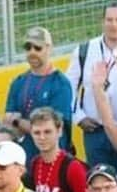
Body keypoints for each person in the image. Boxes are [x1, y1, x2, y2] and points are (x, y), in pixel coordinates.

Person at [68, 4, 117, 172]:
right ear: (102, 22)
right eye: (109, 20)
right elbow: (69, 88)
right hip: (96, 131)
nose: (114, 25)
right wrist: (79, 117)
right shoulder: (84, 51)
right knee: (99, 181)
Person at [5, 26, 72, 159]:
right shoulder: (19, 81)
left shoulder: (59, 83)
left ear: (49, 48)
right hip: (23, 160)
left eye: (37, 48)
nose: (32, 52)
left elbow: (50, 130)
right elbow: (7, 120)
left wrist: (17, 121)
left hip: (51, 160)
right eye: (28, 47)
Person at [27, 107, 90, 192]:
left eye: (47, 132)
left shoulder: (72, 167)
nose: (42, 137)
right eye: (37, 132)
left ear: (59, 131)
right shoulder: (35, 163)